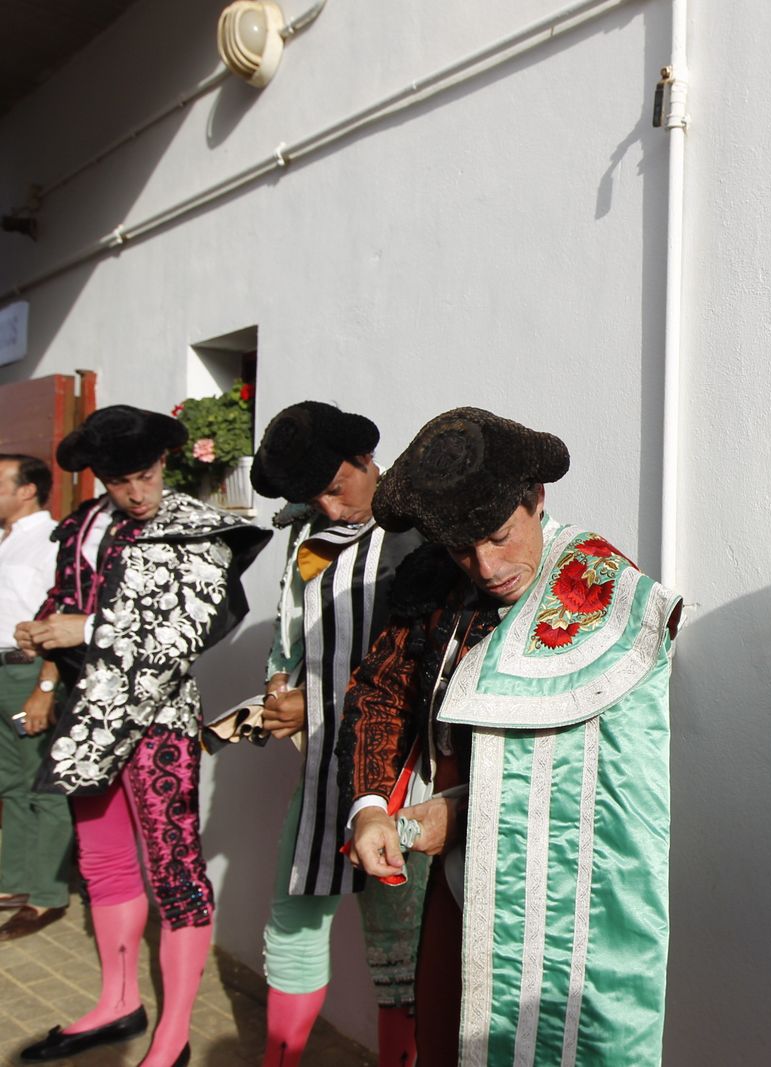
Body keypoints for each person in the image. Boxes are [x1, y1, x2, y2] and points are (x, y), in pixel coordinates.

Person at [340, 407, 682, 1065]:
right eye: (462, 549)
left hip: (559, 901)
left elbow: (604, 777)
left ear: (537, 498)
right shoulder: (436, 584)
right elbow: (381, 690)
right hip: (451, 877)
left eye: (499, 537)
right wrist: (371, 805)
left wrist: (463, 814)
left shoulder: (601, 591)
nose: (486, 565)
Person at [15, 405, 269, 1067]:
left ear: (166, 464)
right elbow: (68, 593)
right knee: (103, 863)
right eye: (121, 479)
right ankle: (117, 1001)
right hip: (90, 718)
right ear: (100, 478)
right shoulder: (88, 523)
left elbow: (187, 633)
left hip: (159, 720)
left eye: (147, 474)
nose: (137, 491)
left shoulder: (195, 528)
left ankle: (175, 1033)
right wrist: (43, 629)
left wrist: (86, 630)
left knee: (176, 872)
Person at [248, 401, 426, 1066]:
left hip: (404, 771)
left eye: (333, 488)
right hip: (324, 767)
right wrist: (281, 687)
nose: (327, 506)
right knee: (291, 917)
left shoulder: (420, 536)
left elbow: (418, 663)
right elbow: (286, 639)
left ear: (366, 461)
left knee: (401, 948)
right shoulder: (307, 540)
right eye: (311, 497)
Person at [0, 454, 72, 941]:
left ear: (27, 490)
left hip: (29, 674)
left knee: (44, 783)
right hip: (1, 671)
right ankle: (14, 882)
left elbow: (61, 615)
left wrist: (46, 686)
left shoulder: (53, 541)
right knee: (10, 782)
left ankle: (47, 894)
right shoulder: (4, 540)